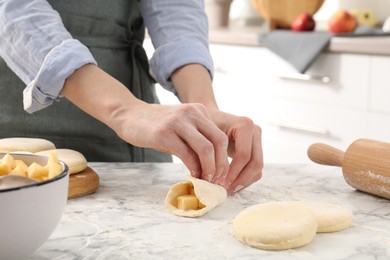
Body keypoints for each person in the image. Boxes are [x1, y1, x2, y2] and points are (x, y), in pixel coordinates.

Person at [0, 0, 263, 195]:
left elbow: (175, 8)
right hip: (15, 108)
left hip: (134, 131)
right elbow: (13, 10)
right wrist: (123, 110)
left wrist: (205, 108)